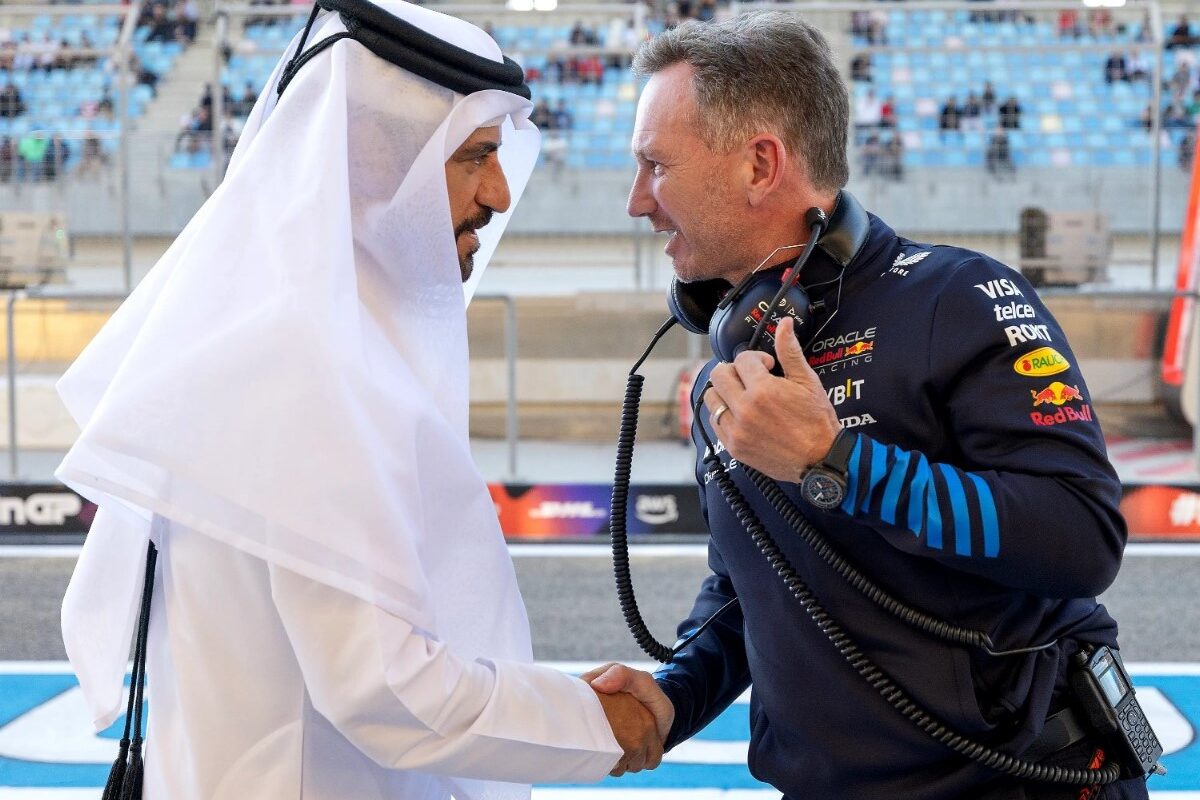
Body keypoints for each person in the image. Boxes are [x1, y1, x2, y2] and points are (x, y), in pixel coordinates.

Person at [54, 2, 668, 798]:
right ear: (381, 165)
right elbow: (382, 687)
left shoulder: (283, 331)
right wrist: (592, 725)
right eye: (475, 156)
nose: (499, 192)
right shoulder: (306, 364)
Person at [590, 11, 1153, 800]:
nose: (635, 202)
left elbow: (1081, 536)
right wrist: (674, 695)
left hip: (1020, 782)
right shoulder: (740, 353)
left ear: (760, 165)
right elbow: (753, 587)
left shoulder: (960, 297)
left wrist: (838, 464)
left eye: (655, 166)